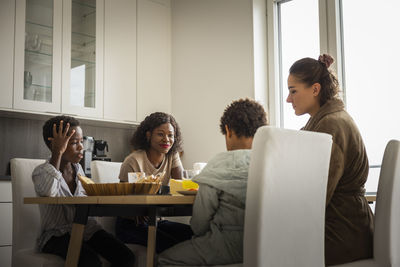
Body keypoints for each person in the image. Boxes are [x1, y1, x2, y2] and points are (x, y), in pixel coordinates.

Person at [157, 98, 268, 266]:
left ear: (228, 130)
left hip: (226, 245)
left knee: (165, 259)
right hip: (266, 246)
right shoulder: (269, 161)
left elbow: (199, 223)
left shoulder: (220, 164)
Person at [286, 54, 373, 265]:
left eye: (293, 91)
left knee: (271, 247)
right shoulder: (325, 121)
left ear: (315, 89)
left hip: (343, 235)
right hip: (349, 228)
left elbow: (315, 197)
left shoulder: (330, 126)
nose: (288, 99)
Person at [32, 115, 135, 267]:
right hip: (56, 236)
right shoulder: (40, 172)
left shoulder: (78, 170)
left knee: (126, 257)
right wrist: (57, 153)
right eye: (74, 143)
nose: (81, 147)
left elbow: (88, 196)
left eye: (81, 141)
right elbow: (49, 191)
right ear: (55, 145)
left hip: (86, 230)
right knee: (90, 261)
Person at [116, 112, 192, 253]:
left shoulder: (171, 156)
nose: (167, 139)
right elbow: (122, 200)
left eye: (171, 135)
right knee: (170, 244)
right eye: (160, 134)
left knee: (191, 234)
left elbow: (180, 185)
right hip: (131, 224)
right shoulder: (133, 160)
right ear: (148, 135)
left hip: (156, 220)